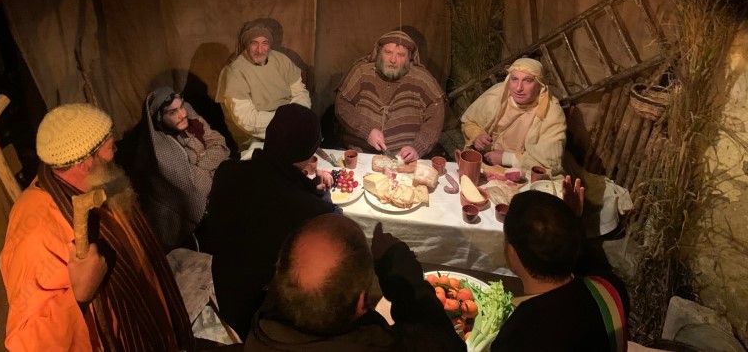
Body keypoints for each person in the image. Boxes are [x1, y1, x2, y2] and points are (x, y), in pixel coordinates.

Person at [0, 104, 194, 351]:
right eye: (109, 146)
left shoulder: (100, 183)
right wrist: (79, 295)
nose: (116, 150)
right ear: (84, 162)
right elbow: (27, 343)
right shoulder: (35, 230)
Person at [204, 103, 338, 340]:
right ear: (310, 153)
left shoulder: (227, 171)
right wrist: (319, 194)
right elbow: (336, 227)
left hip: (228, 293)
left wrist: (306, 187)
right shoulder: (310, 211)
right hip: (266, 316)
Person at [245, 216, 466, 351]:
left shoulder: (260, 330)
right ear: (361, 304)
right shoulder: (386, 344)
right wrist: (399, 267)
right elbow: (445, 345)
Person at [492, 181, 629, 352]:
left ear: (513, 251)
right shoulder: (610, 287)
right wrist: (571, 223)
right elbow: (585, 260)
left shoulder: (520, 334)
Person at [135, 87, 230, 251]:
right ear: (159, 118)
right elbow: (198, 188)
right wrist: (212, 161)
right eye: (173, 112)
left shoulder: (191, 119)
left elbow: (220, 142)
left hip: (217, 189)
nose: (182, 114)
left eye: (181, 106)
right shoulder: (162, 152)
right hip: (197, 216)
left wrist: (199, 165)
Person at [335, 29, 445, 162]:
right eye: (388, 52)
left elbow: (436, 116)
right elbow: (343, 105)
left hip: (404, 160)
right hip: (360, 154)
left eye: (401, 55)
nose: (393, 60)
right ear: (379, 52)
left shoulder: (422, 79)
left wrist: (418, 148)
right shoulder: (362, 72)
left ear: (409, 58)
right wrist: (366, 131)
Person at [216, 20, 311, 152]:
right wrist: (287, 120)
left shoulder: (281, 60)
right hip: (257, 138)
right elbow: (247, 121)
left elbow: (300, 92)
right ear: (246, 44)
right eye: (254, 43)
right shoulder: (234, 71)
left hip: (291, 125)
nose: (260, 50)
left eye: (264, 43)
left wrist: (297, 117)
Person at [460, 57, 566, 174]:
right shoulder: (497, 94)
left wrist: (506, 158)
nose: (519, 88)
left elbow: (549, 162)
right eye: (514, 79)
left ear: (539, 85)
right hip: (484, 162)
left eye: (527, 81)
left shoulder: (551, 112)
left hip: (523, 172)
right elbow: (469, 122)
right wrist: (477, 135)